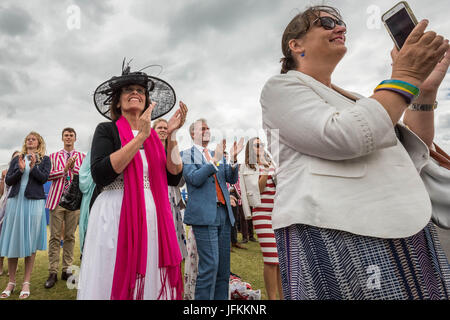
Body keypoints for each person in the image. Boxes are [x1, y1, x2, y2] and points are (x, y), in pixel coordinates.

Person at [261, 5, 450, 299]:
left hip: (403, 225)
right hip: (338, 229)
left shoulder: (359, 99)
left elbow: (413, 149)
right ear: (295, 45)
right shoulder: (280, 88)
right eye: (326, 23)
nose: (340, 28)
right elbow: (345, 136)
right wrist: (405, 76)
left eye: (341, 23)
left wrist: (423, 93)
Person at [77, 63, 184, 300]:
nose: (135, 93)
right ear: (117, 101)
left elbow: (175, 175)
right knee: (111, 272)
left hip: (154, 217)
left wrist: (173, 136)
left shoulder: (157, 139)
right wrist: (141, 137)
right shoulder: (107, 130)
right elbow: (102, 173)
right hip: (115, 214)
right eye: (128, 90)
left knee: (150, 273)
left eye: (140, 90)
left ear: (146, 101)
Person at [181, 118, 244, 300]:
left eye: (208, 128)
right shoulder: (186, 155)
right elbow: (194, 179)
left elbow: (231, 179)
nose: (207, 130)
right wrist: (214, 161)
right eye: (202, 128)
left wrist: (232, 158)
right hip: (204, 216)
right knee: (210, 267)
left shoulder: (216, 154)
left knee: (223, 269)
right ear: (193, 134)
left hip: (224, 214)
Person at [0, 133, 50, 299]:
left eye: (33, 138)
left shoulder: (45, 160)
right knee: (12, 241)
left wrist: (34, 166)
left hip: (34, 203)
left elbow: (43, 179)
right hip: (15, 202)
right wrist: (20, 170)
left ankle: (26, 282)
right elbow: (9, 181)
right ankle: (12, 282)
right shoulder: (17, 159)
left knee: (30, 242)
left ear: (39, 143)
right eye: (28, 138)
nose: (30, 140)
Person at [239, 137, 283, 300]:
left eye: (262, 144)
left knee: (280, 261)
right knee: (271, 259)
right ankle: (272, 298)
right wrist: (264, 171)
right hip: (262, 214)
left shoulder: (272, 164)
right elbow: (257, 189)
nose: (262, 147)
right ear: (251, 149)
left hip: (278, 214)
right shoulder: (248, 167)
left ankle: (283, 296)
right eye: (258, 145)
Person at [44, 128, 85, 289]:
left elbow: (84, 175)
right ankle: (52, 272)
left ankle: (66, 270)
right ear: (62, 138)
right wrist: (65, 169)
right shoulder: (53, 157)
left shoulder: (82, 157)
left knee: (69, 236)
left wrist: (73, 169)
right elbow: (48, 176)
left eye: (71, 135)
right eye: (66, 135)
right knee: (54, 237)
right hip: (57, 200)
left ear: (75, 138)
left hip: (74, 202)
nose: (68, 138)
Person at [153, 116, 188, 259]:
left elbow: (179, 179)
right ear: (153, 130)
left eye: (165, 128)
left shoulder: (173, 149)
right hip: (153, 193)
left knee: (172, 229)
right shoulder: (146, 148)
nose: (162, 130)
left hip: (171, 194)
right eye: (159, 127)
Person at [0, 151, 20, 277]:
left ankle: (14, 265)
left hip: (18, 206)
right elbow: (2, 192)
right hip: (5, 206)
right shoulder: (6, 171)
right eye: (15, 157)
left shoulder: (24, 171)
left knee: (14, 236)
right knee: (1, 236)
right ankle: (0, 265)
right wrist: (2, 179)